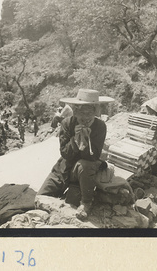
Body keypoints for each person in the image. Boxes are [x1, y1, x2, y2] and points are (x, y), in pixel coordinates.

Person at [37, 89, 114, 220]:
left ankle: (86, 202)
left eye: (89, 112)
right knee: (40, 198)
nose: (85, 117)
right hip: (65, 168)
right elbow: (65, 153)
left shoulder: (100, 126)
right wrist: (75, 140)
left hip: (84, 170)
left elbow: (93, 156)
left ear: (95, 111)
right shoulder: (67, 123)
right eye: (81, 112)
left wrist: (85, 140)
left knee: (83, 168)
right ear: (75, 110)